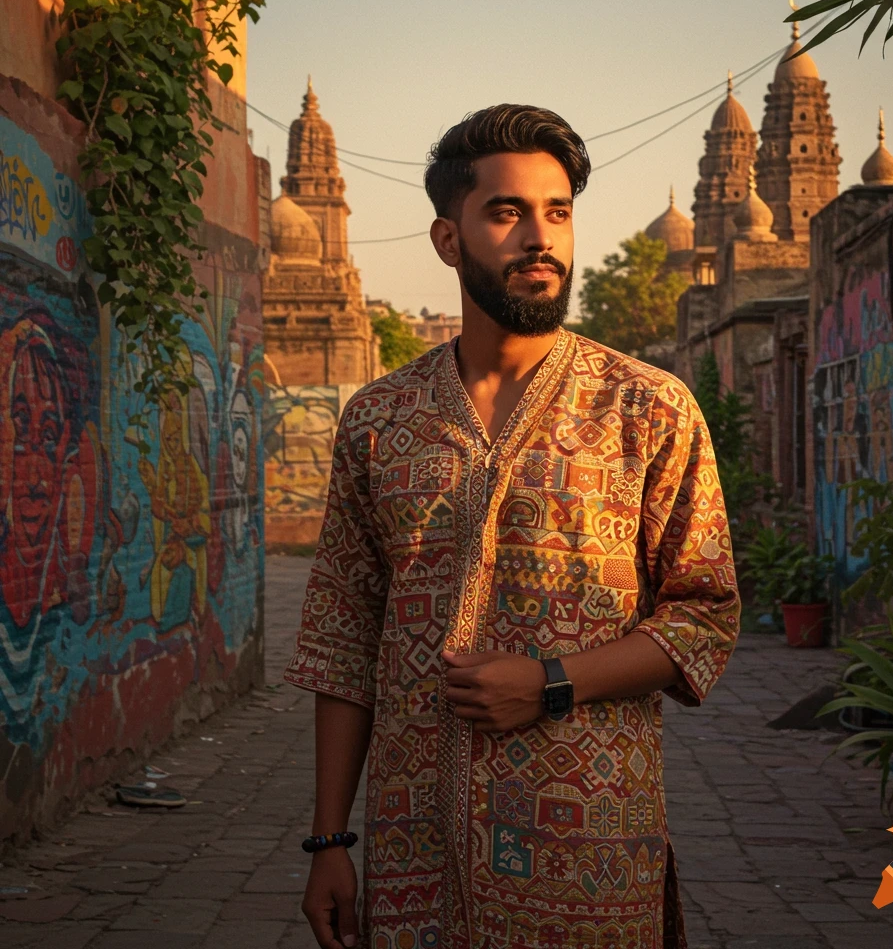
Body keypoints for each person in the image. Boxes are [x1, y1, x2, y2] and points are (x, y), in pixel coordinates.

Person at [284, 104, 740, 949]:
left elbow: (704, 614)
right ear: (448, 239)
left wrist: (552, 682)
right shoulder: (381, 420)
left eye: (558, 211)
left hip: (590, 854)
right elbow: (344, 637)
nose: (541, 237)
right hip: (415, 853)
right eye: (508, 212)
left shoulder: (646, 408)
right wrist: (328, 841)